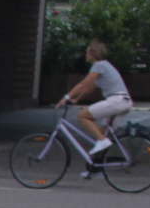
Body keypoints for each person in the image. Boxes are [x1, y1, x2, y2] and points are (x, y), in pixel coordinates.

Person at [57, 39, 134, 169]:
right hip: (124, 102)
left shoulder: (99, 65)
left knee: (82, 116)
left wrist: (66, 97)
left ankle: (102, 142)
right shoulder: (105, 65)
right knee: (102, 134)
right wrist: (77, 99)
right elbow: (90, 87)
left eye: (87, 52)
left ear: (93, 53)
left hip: (116, 101)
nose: (85, 54)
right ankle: (95, 168)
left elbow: (83, 83)